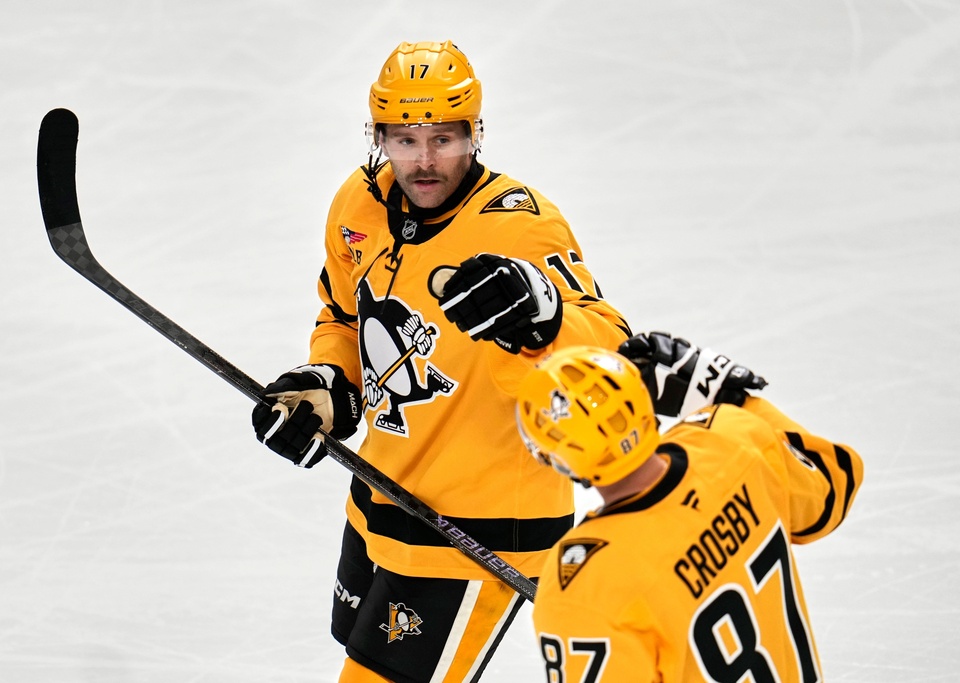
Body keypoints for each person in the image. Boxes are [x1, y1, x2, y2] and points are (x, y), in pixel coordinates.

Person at [251, 41, 632, 682]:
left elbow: (614, 346)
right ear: (378, 137)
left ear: (474, 135)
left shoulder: (521, 227)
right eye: (404, 139)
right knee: (353, 644)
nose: (424, 161)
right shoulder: (358, 204)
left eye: (444, 138)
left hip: (478, 527)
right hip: (383, 491)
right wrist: (324, 387)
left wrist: (545, 315)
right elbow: (345, 317)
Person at [517, 333, 864, 682]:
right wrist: (734, 398)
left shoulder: (585, 584)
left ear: (558, 460)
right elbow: (831, 491)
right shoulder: (734, 436)